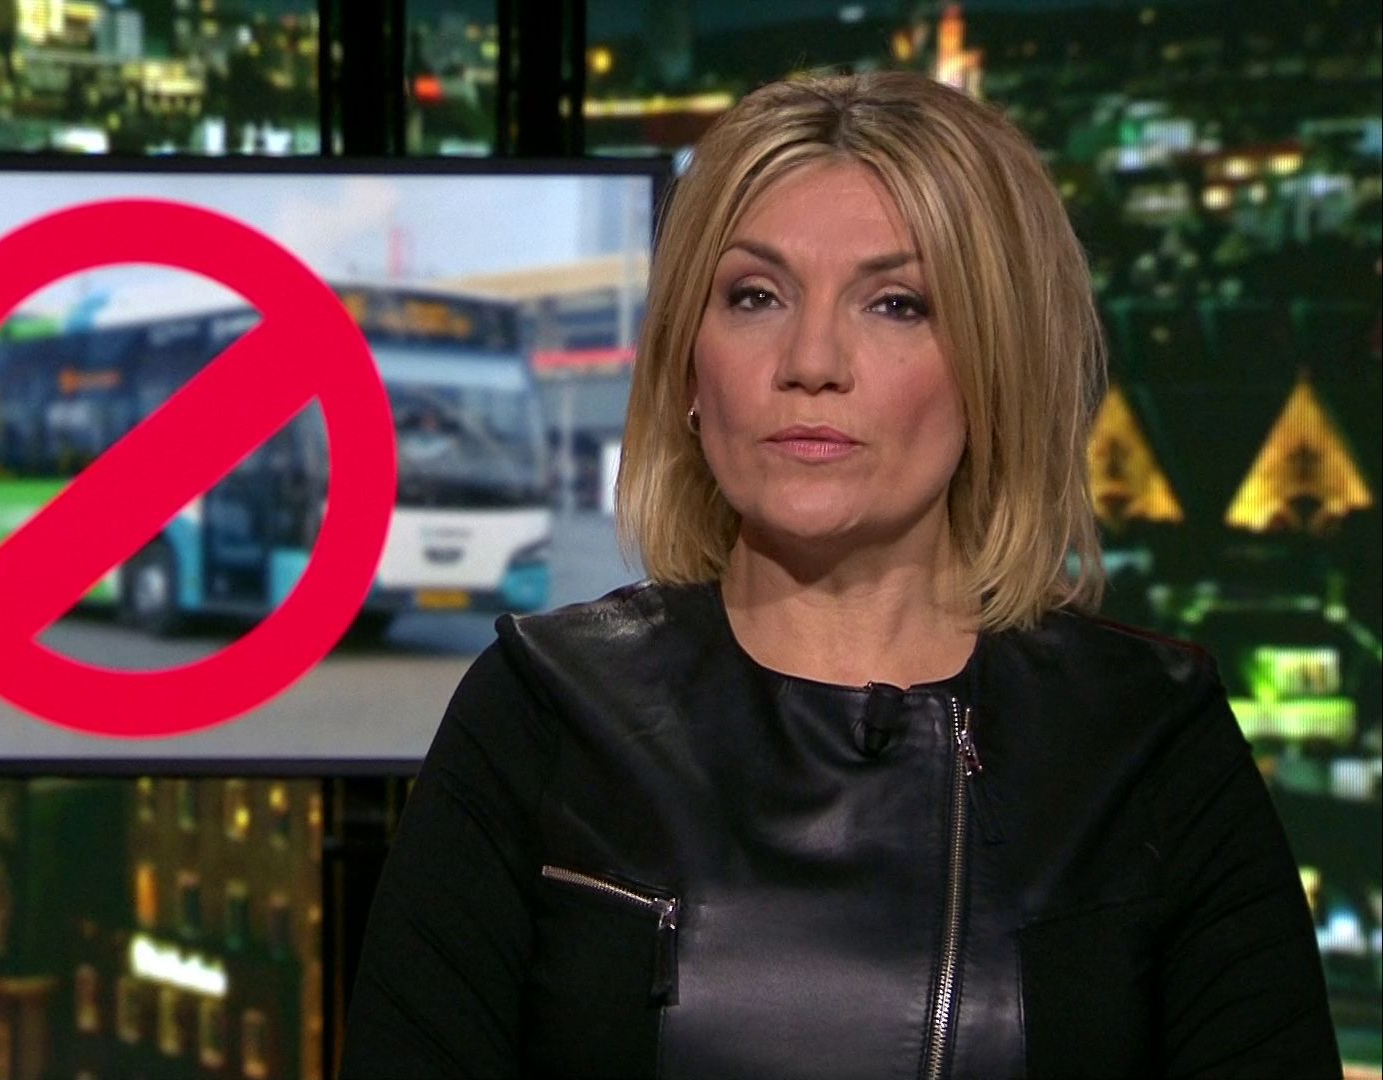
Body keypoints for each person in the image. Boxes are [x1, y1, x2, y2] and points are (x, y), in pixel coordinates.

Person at [338, 72, 1340, 1079]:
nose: (811, 359)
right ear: (689, 366)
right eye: (755, 297)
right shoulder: (543, 713)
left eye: (897, 304)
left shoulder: (1144, 742)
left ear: (996, 367)